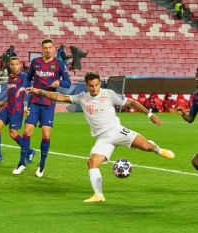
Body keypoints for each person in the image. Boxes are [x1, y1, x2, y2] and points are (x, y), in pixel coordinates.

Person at [26, 71, 175, 202]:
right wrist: (38, 91)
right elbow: (59, 97)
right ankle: (98, 195)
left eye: (97, 85)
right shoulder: (82, 97)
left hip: (117, 131)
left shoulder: (108, 94)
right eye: (91, 86)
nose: (95, 88)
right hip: (103, 139)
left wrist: (150, 114)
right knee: (92, 163)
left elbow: (130, 102)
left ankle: (158, 149)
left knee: (147, 147)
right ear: (86, 86)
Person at [13, 38, 71, 177]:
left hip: (49, 103)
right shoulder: (35, 62)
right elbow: (28, 78)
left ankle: (42, 164)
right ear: (41, 48)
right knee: (27, 131)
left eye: (50, 47)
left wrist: (60, 82)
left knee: (46, 134)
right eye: (45, 48)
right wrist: (24, 86)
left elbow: (68, 83)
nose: (47, 50)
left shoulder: (59, 64)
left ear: (53, 48)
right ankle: (21, 163)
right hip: (34, 100)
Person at [0, 56, 36, 163]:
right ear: (10, 65)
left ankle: (30, 151)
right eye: (12, 64)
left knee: (13, 134)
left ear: (20, 65)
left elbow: (33, 87)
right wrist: (4, 102)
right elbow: (12, 93)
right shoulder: (10, 77)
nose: (14, 66)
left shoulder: (23, 76)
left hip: (16, 110)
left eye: (16, 64)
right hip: (7, 107)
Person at [176, 70, 198, 170]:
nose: (196, 79)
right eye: (196, 77)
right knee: (196, 162)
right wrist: (183, 114)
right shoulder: (196, 96)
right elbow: (191, 118)